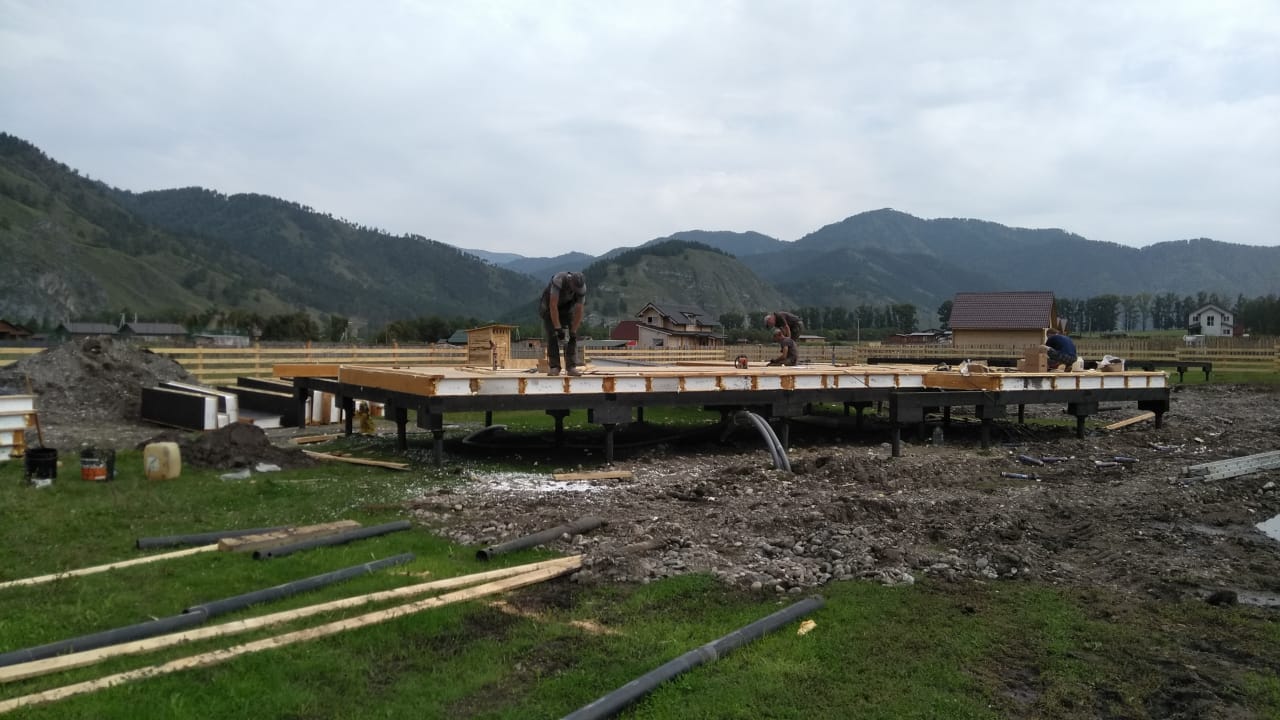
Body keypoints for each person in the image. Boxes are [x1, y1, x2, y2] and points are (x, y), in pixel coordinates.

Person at [538, 271, 586, 376]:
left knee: (571, 337)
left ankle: (571, 367)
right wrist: (558, 328)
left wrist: (573, 331)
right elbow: (553, 305)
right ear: (570, 281)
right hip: (549, 308)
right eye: (574, 288)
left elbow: (579, 311)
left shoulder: (581, 289)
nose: (575, 291)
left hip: (566, 309)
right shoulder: (559, 280)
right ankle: (554, 367)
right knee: (552, 334)